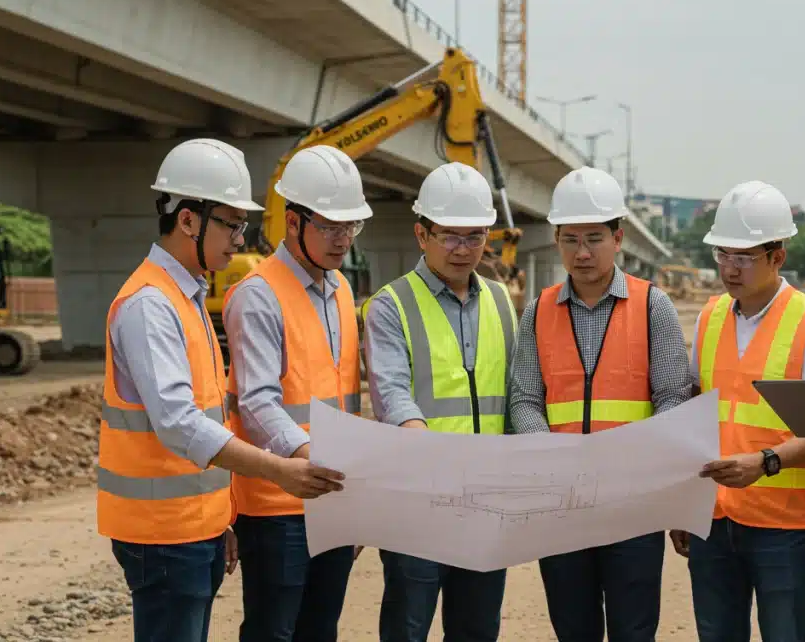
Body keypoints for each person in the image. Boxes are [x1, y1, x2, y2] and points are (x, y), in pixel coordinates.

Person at [100, 138, 347, 642]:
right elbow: (179, 423)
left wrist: (223, 517)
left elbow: (213, 416)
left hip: (194, 527)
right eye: (231, 224)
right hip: (163, 533)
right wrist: (279, 469)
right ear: (188, 219)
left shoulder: (185, 295)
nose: (240, 239)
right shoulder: (151, 305)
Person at [509, 166, 692, 642]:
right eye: (571, 240)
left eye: (595, 238)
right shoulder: (537, 311)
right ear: (556, 240)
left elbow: (673, 396)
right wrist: (552, 455)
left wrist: (633, 459)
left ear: (619, 237)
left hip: (632, 506)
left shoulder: (655, 306)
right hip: (562, 507)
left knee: (634, 631)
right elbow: (525, 399)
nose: (583, 252)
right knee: (574, 630)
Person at [667, 180, 805, 642]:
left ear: (777, 257)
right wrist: (685, 506)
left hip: (781, 525)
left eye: (743, 257)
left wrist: (764, 463)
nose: (730, 268)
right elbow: (694, 410)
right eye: (723, 255)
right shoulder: (709, 317)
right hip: (714, 516)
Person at [362, 161, 518, 642]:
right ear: (421, 233)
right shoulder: (391, 304)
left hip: (486, 504)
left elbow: (515, 395)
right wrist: (430, 451)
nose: (462, 249)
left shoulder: (501, 300)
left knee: (477, 630)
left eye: (474, 237)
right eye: (449, 236)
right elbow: (391, 393)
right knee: (408, 629)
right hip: (418, 505)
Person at [222, 145, 371, 642]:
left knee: (319, 630)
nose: (342, 239)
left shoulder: (342, 290)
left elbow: (345, 397)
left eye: (350, 227)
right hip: (277, 504)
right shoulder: (257, 295)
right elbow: (258, 401)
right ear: (292, 222)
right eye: (330, 226)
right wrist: (311, 457)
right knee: (273, 631)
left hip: (331, 496)